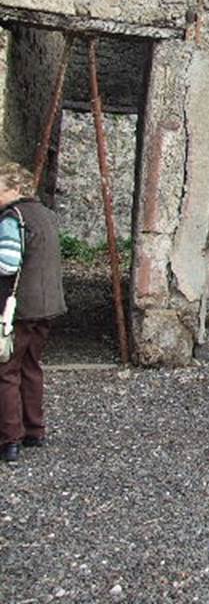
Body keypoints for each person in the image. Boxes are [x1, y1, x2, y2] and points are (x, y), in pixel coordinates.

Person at [0, 161, 66, 463]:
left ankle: (9, 439)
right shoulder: (47, 216)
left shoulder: (12, 218)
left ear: (15, 188)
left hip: (19, 308)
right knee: (31, 366)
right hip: (47, 306)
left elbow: (7, 264)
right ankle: (34, 430)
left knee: (6, 371)